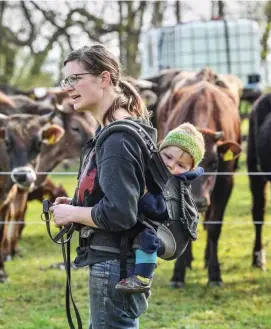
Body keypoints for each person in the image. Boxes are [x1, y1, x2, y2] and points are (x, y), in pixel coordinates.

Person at [50, 43, 154, 329]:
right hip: (116, 261)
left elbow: (120, 213)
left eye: (75, 79)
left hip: (114, 263)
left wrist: (72, 215)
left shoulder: (118, 139)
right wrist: (76, 205)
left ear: (105, 78)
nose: (68, 87)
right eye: (65, 80)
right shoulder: (114, 130)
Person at [115, 123, 205, 294]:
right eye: (168, 157)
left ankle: (143, 277)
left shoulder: (176, 183)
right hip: (161, 226)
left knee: (146, 236)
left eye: (181, 165)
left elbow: (160, 210)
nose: (172, 166)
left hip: (169, 233)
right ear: (159, 150)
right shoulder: (159, 171)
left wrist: (142, 196)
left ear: (190, 169)